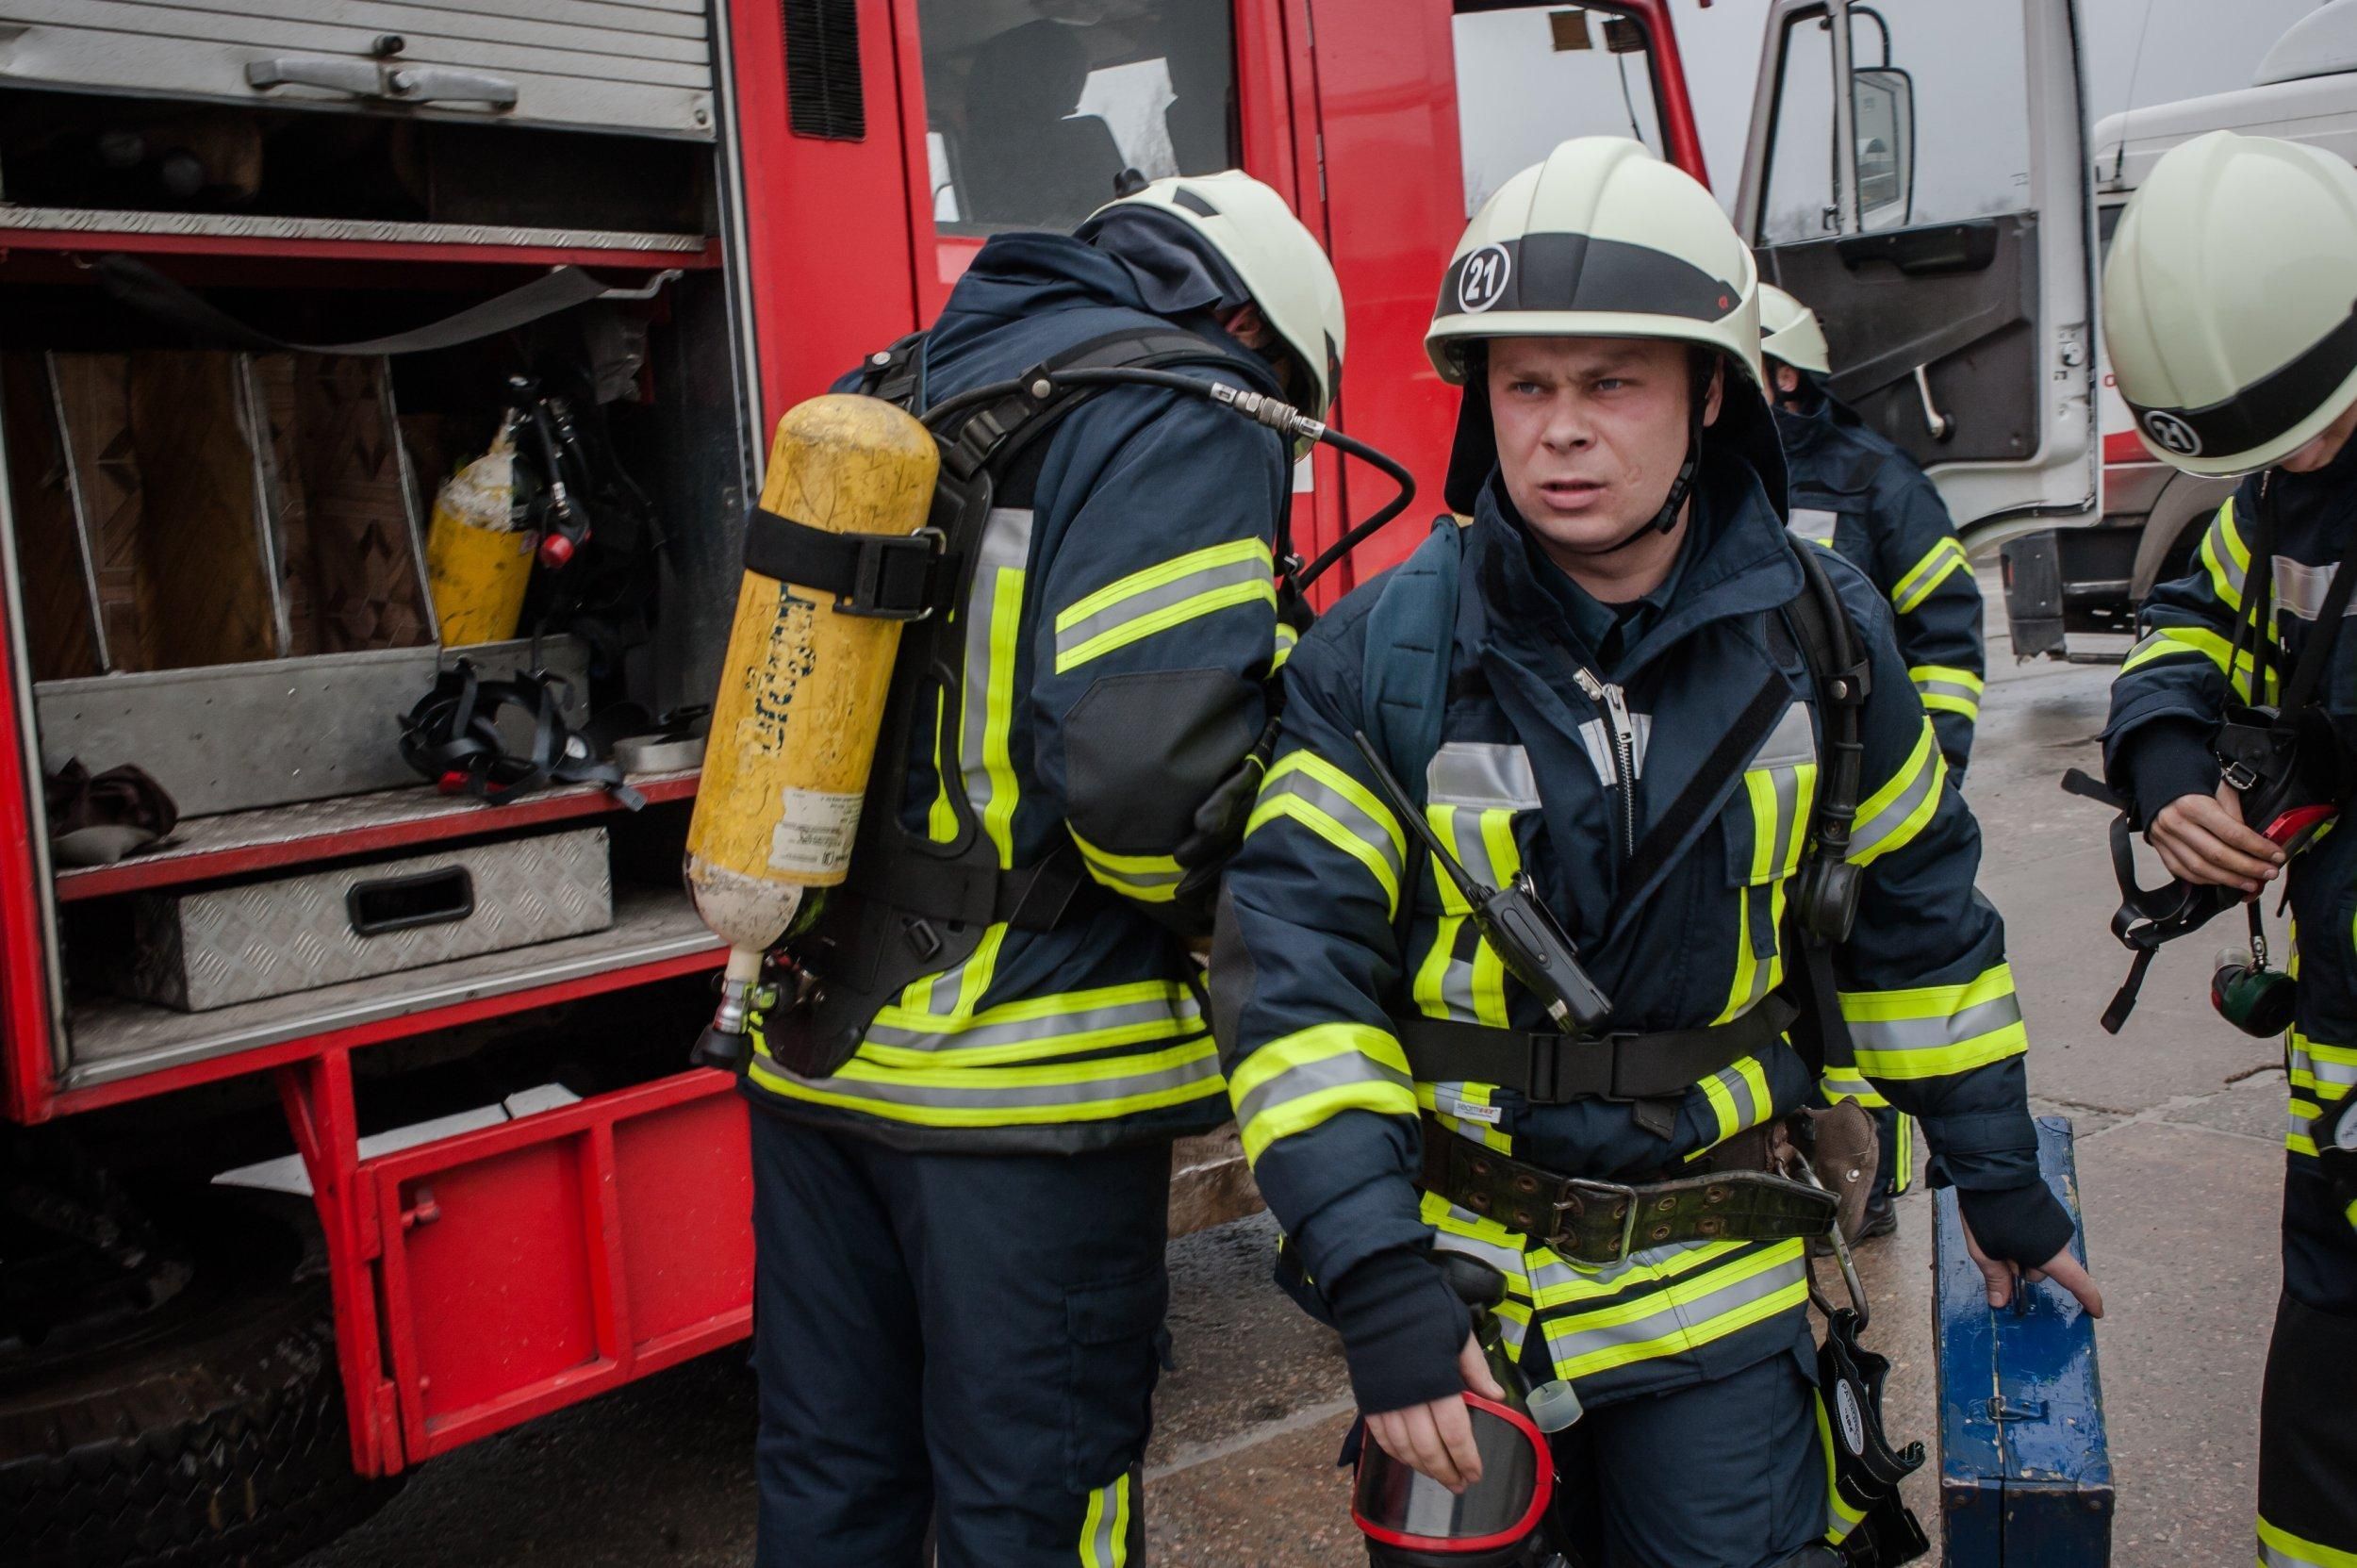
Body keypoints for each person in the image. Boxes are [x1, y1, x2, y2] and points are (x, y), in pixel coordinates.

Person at [1211, 137, 2100, 1568]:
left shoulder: (1830, 643)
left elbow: (1919, 932)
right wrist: (1381, 1285)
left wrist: (1998, 1178)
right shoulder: (1378, 660)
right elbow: (1298, 994)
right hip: (1469, 1310)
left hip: (1722, 1300)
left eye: (1611, 381)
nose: (1561, 430)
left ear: (1709, 396)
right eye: (1526, 384)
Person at [742, 170, 1345, 1568]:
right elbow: (1152, 796)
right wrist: (1270, 923)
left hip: (816, 1049)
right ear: (1253, 324)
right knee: (1037, 1502)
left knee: (832, 1482)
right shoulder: (1190, 409)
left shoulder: (901, 381)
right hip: (1026, 1082)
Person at [2098, 128, 2357, 1568]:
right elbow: (2190, 624)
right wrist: (2170, 765)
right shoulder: (2278, 491)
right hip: (2341, 1061)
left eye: (2304, 431)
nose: (2286, 474)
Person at [1759, 282, 1986, 1239]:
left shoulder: (1874, 478)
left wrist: (1921, 767)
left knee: (1865, 997)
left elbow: (1945, 630)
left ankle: (1872, 1183)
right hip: (1770, 799)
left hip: (1855, 803)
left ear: (1782, 374)